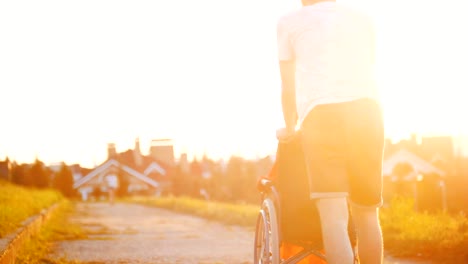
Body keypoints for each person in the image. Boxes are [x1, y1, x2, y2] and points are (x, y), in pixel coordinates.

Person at [276, 0, 384, 264]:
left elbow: (288, 87)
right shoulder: (362, 17)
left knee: (334, 217)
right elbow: (367, 65)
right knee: (368, 213)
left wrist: (290, 128)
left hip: (323, 116)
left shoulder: (289, 23)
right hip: (368, 112)